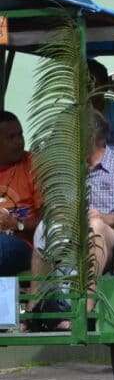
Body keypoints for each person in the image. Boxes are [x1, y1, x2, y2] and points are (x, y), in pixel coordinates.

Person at [28, 111, 114, 326]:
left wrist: (103, 218)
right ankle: (34, 311)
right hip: (76, 237)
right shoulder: (73, 169)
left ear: (92, 137)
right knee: (44, 226)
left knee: (96, 226)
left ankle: (84, 311)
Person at [0, 112, 41, 275]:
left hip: (24, 245)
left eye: (20, 135)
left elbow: (49, 221)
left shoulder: (34, 165)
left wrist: (17, 224)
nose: (19, 142)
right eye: (11, 137)